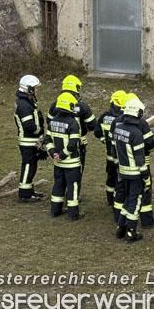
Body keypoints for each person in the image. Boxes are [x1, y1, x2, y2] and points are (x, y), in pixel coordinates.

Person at [113, 97, 151, 242]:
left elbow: (114, 150)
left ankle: (120, 227)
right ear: (138, 113)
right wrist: (145, 176)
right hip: (135, 174)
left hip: (123, 172)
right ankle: (131, 232)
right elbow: (140, 159)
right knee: (135, 202)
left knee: (127, 199)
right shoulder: (136, 133)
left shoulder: (118, 128)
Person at [44, 92, 83, 222]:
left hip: (58, 163)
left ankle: (55, 210)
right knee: (73, 187)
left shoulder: (53, 122)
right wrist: (62, 155)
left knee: (58, 185)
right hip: (71, 163)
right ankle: (73, 214)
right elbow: (73, 144)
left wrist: (53, 153)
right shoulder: (73, 123)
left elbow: (47, 140)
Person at [48, 76, 96, 176]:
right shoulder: (83, 106)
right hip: (79, 143)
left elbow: (49, 121)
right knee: (76, 173)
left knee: (59, 171)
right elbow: (92, 125)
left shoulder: (55, 104)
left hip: (57, 142)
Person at [14, 75, 45, 203]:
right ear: (29, 89)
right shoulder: (24, 105)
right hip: (28, 141)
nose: (37, 90)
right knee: (28, 166)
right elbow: (29, 125)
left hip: (31, 140)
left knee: (32, 166)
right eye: (35, 87)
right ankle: (24, 194)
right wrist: (40, 132)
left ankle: (29, 189)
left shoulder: (26, 101)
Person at [94, 90, 127, 208]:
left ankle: (109, 199)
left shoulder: (104, 116)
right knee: (120, 178)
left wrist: (105, 141)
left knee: (111, 176)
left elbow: (97, 132)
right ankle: (119, 199)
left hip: (109, 155)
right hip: (122, 155)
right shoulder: (124, 118)